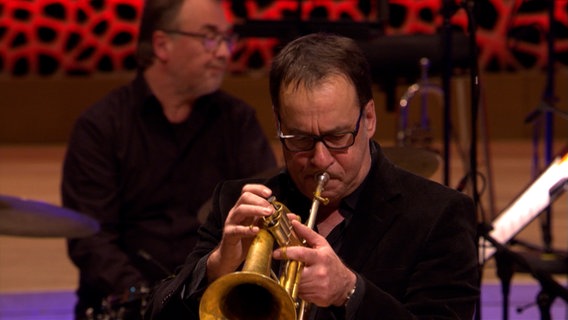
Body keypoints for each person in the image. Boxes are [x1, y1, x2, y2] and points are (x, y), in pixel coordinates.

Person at [144, 33, 480, 319]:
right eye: (300, 139)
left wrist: (350, 291)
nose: (320, 159)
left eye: (337, 137)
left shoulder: (440, 216)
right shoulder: (238, 202)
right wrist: (216, 267)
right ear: (278, 124)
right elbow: (158, 311)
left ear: (370, 118)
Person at [61, 0, 277, 319]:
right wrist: (155, 303)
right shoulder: (100, 127)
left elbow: (265, 213)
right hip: (131, 306)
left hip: (211, 298)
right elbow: (91, 240)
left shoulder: (237, 121)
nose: (223, 53)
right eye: (209, 37)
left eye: (226, 39)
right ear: (162, 44)